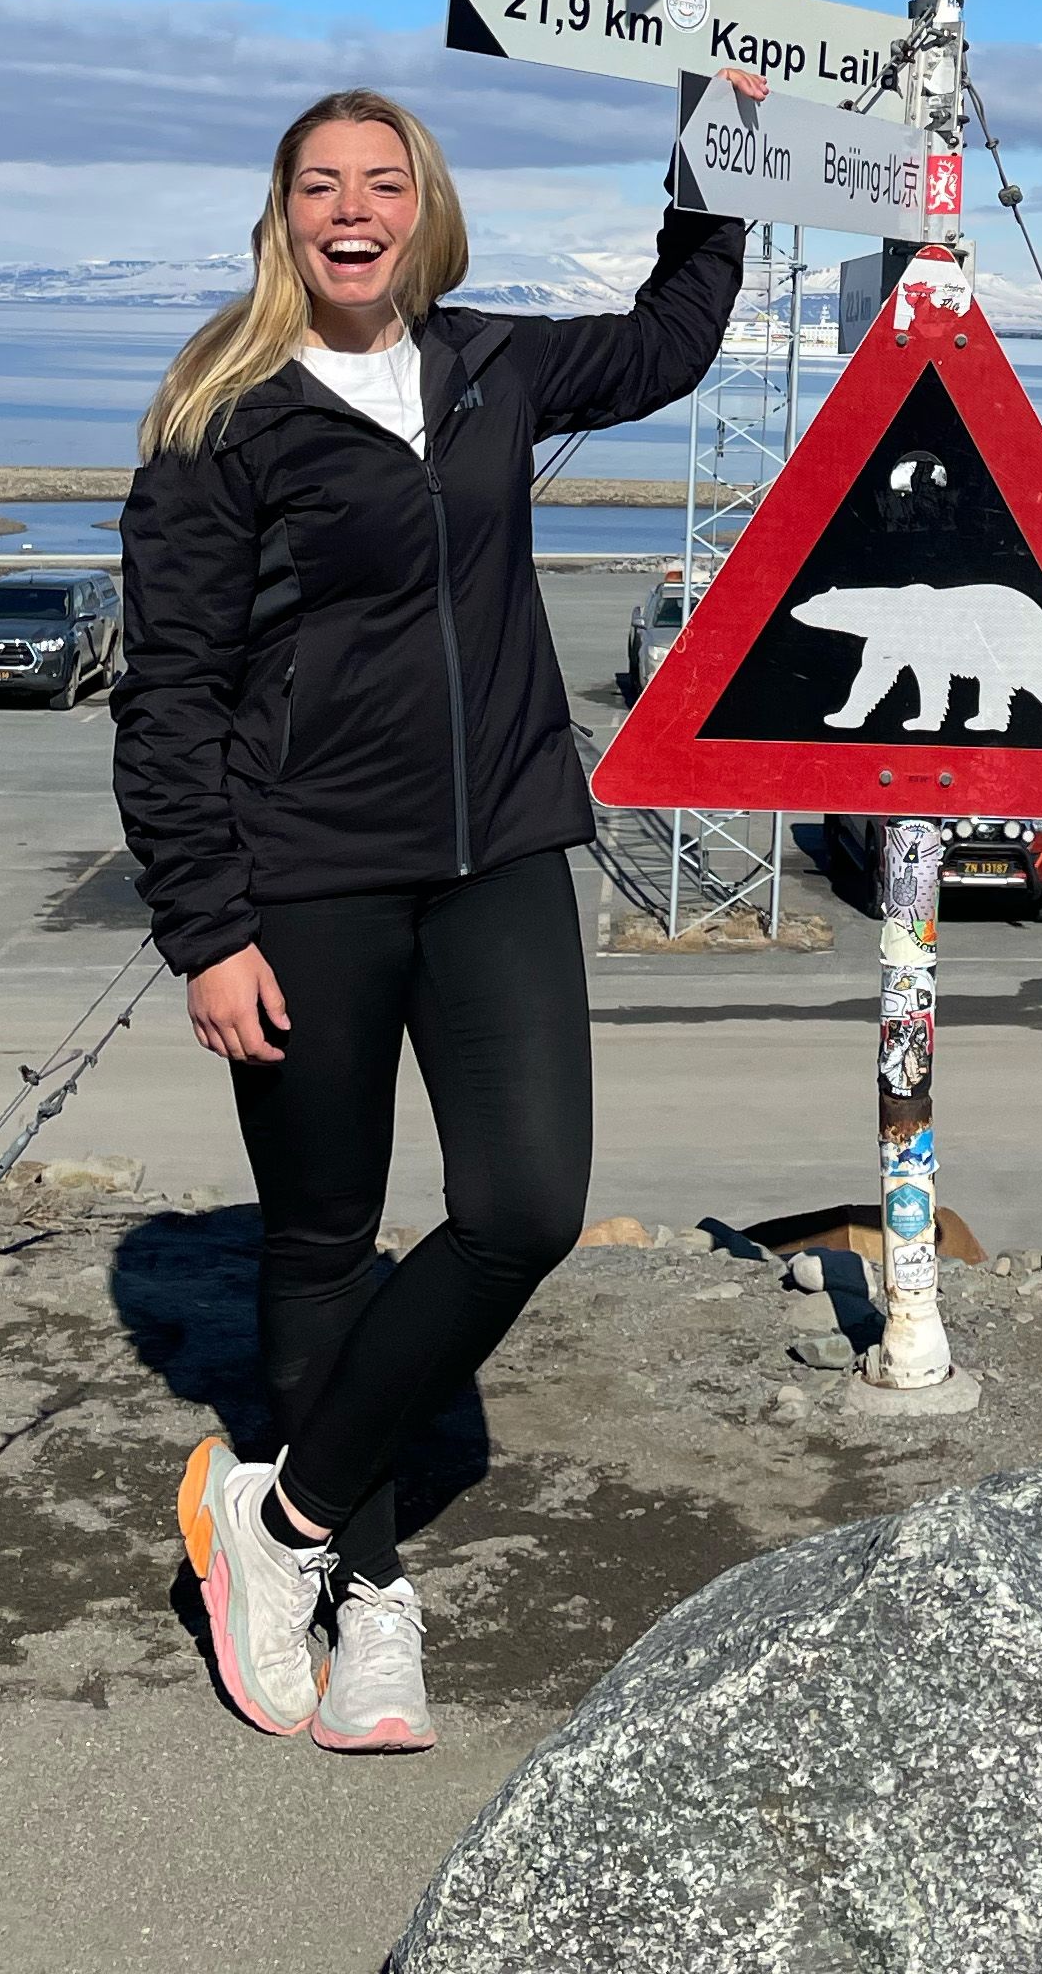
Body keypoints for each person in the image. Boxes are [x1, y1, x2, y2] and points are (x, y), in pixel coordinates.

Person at [113, 87, 742, 1750]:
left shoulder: (489, 365)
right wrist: (207, 928)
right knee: (320, 1240)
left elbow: (672, 342)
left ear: (425, 209)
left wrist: (712, 160)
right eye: (321, 184)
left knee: (525, 1205)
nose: (353, 208)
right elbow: (168, 695)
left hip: (505, 852)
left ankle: (281, 1522)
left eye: (383, 182)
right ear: (281, 216)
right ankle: (368, 1597)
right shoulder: (221, 415)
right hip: (304, 879)